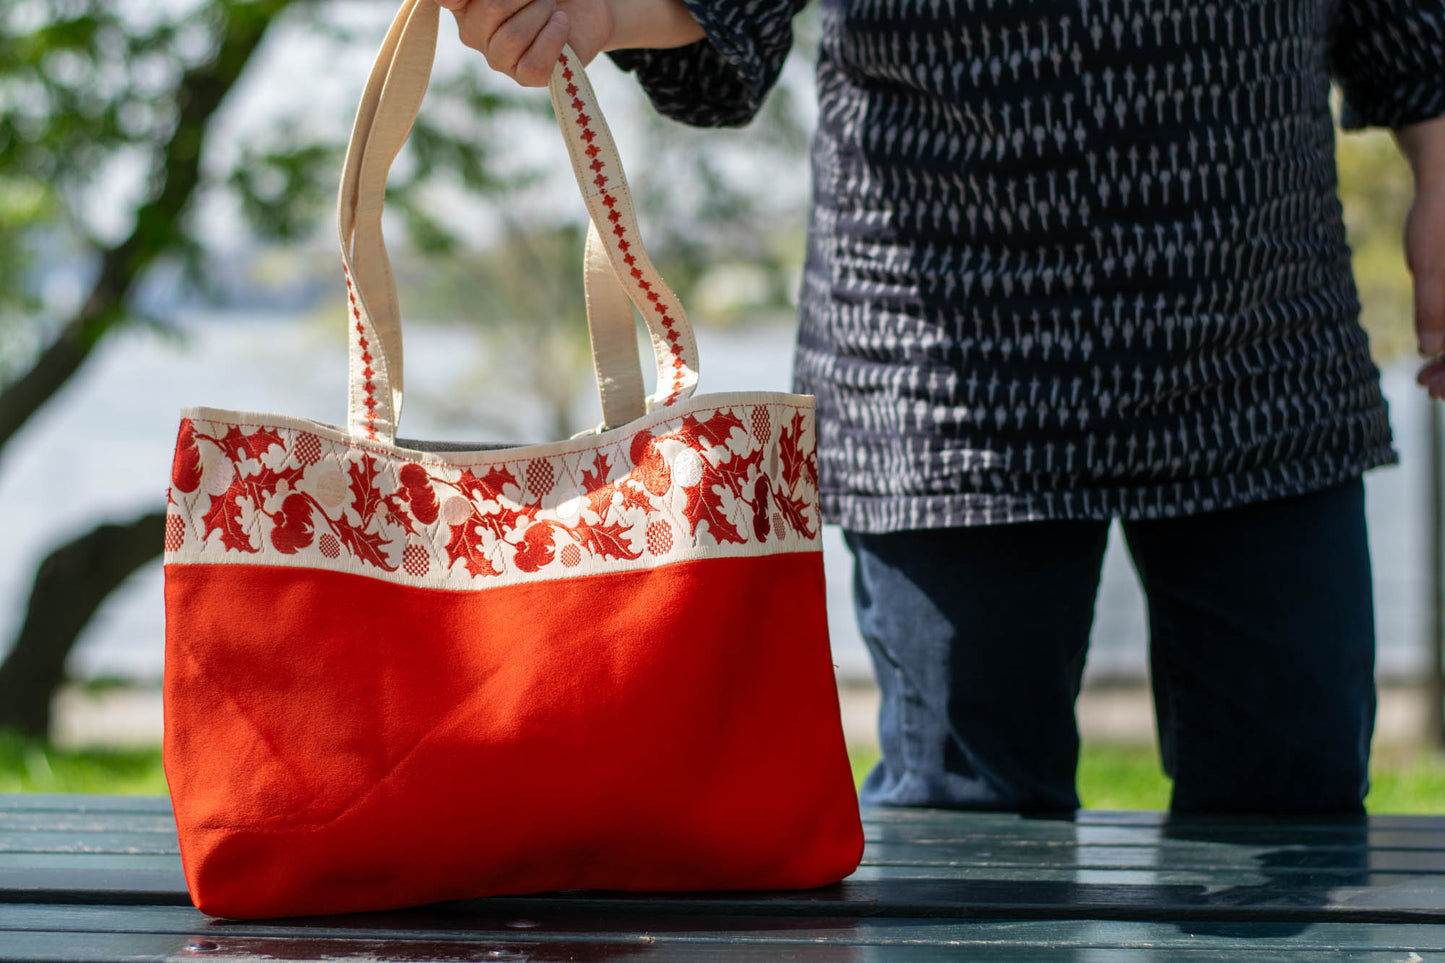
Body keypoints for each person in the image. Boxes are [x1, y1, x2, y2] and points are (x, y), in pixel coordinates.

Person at [433, 0, 1445, 814]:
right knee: (969, 831)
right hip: (940, 369)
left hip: (1258, 342)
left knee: (1294, 798)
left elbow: (1412, 32)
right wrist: (600, 11)